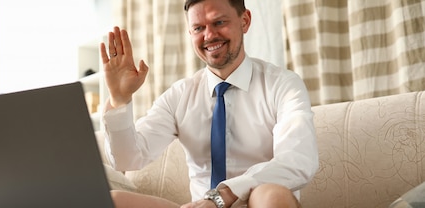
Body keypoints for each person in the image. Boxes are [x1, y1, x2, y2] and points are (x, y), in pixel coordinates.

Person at [98, 0, 318, 207]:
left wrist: (221, 197)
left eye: (219, 22)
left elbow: (297, 160)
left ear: (245, 21)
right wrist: (120, 99)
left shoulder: (283, 84)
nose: (209, 35)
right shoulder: (179, 95)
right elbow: (128, 159)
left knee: (270, 194)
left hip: (258, 202)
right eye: (198, 28)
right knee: (114, 200)